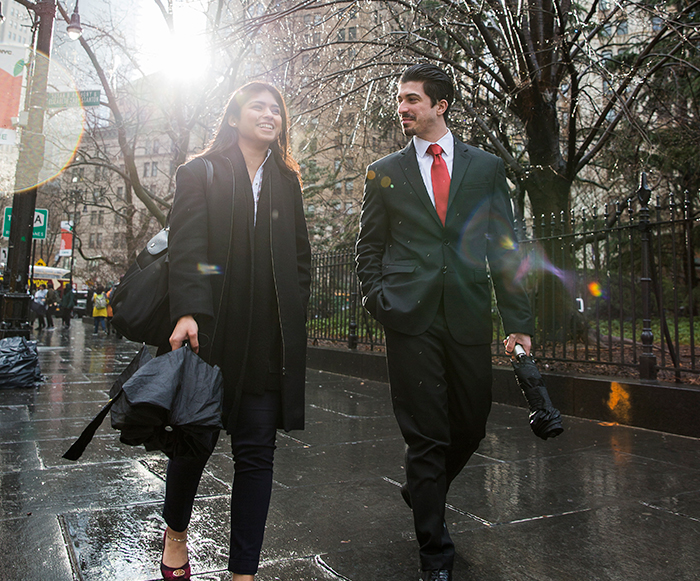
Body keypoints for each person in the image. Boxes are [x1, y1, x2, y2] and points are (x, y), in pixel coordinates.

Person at [355, 64, 534, 581]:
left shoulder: (484, 167)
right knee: (426, 434)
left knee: (472, 421)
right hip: (408, 316)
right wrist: (377, 299)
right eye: (400, 99)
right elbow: (368, 246)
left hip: (467, 311)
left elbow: (504, 246)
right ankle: (435, 551)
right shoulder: (384, 170)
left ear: (441, 106)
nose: (402, 108)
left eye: (412, 99)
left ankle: (421, 487)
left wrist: (517, 320)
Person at [160, 82, 311, 581]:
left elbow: (301, 259)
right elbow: (185, 247)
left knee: (256, 454)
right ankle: (176, 532)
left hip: (268, 340)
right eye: (258, 106)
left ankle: (243, 571)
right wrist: (187, 311)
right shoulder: (200, 171)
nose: (270, 115)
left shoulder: (288, 181)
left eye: (276, 109)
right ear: (234, 116)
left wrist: (293, 306)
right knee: (194, 443)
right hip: (213, 333)